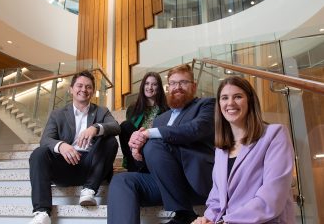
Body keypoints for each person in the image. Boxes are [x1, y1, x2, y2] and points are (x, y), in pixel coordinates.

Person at [107, 64, 216, 224]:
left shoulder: (206, 105)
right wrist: (139, 152)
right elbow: (159, 157)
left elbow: (194, 130)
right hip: (164, 183)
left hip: (194, 182)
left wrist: (147, 135)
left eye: (183, 82)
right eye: (172, 83)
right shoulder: (161, 118)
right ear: (168, 87)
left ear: (194, 86)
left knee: (153, 144)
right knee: (121, 181)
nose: (177, 87)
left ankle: (184, 213)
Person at [192, 76, 295, 224]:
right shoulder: (221, 149)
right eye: (224, 98)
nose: (230, 103)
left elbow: (272, 198)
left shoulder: (275, 135)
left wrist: (225, 222)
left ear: (250, 101)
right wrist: (207, 218)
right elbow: (217, 198)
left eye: (238, 97)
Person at [29, 70, 120, 224]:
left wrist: (96, 128)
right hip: (66, 164)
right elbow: (45, 139)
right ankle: (42, 212)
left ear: (93, 91)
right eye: (79, 86)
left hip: (92, 166)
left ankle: (89, 190)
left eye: (88, 87)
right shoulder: (57, 114)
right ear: (71, 89)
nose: (83, 90)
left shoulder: (101, 111)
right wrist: (61, 146)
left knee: (111, 141)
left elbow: (116, 127)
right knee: (39, 153)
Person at [119, 72, 168, 172]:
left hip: (152, 145)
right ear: (142, 86)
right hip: (134, 148)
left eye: (154, 84)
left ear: (159, 88)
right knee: (125, 126)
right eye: (147, 83)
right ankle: (133, 166)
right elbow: (129, 133)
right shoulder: (133, 108)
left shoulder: (166, 109)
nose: (149, 87)